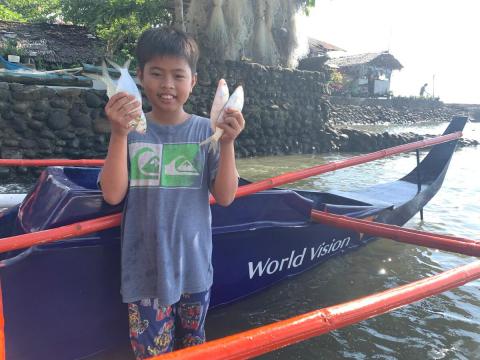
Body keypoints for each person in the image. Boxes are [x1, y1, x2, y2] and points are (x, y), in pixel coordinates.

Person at [99, 27, 244, 358]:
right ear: (140, 76)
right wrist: (119, 133)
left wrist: (228, 142)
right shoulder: (131, 132)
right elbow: (112, 194)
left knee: (195, 351)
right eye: (157, 74)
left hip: (194, 272)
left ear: (193, 81)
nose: (167, 85)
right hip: (144, 276)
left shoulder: (206, 130)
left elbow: (225, 196)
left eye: (178, 75)